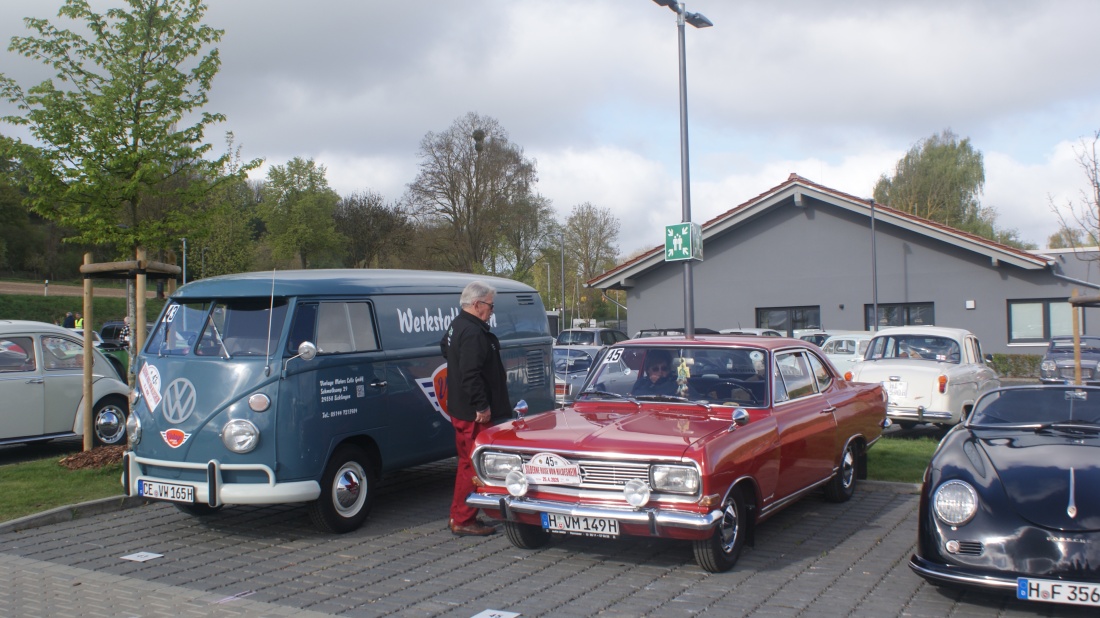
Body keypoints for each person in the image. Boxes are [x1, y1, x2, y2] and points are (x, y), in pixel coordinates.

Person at [440, 280, 511, 536]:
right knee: (474, 464)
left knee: (465, 463)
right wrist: (481, 405)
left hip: (460, 409)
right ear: (477, 304)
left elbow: (445, 347)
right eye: (490, 305)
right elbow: (470, 374)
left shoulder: (457, 324)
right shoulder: (472, 332)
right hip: (473, 414)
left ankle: (459, 515)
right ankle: (463, 519)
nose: (492, 311)